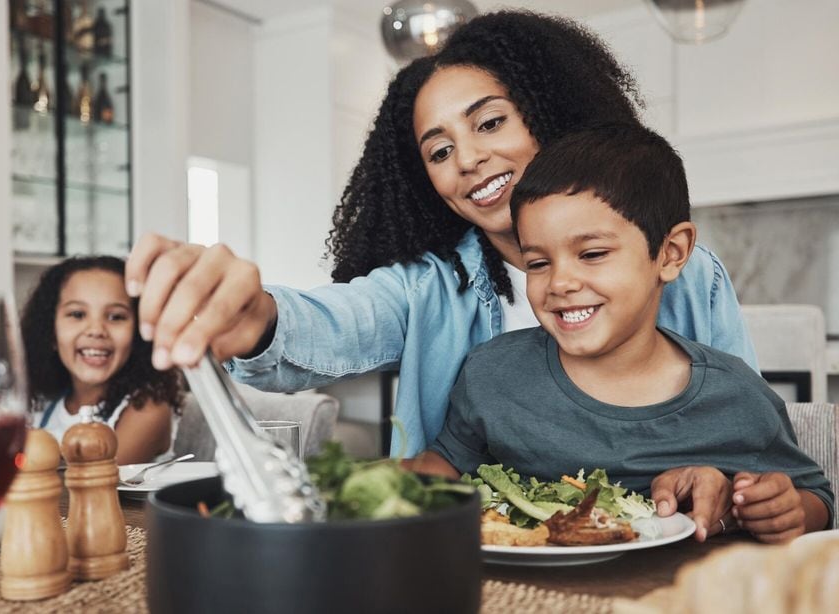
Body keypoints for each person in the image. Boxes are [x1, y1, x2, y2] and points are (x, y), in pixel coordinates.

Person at [124, 11, 756, 459]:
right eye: (438, 150)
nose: (468, 159)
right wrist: (254, 317)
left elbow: (747, 436)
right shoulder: (431, 287)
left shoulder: (690, 274)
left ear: (551, 114)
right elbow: (327, 323)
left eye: (490, 122)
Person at [413, 123, 832, 544]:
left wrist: (787, 510)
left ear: (670, 254)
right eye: (538, 263)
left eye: (592, 254)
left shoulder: (737, 396)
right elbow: (446, 462)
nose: (559, 283)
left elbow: (814, 497)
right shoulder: (492, 373)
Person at [20, 255, 182, 465]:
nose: (96, 330)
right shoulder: (41, 404)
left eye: (116, 317)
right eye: (77, 314)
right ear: (50, 332)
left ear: (139, 334)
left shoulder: (148, 410)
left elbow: (91, 482)